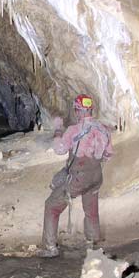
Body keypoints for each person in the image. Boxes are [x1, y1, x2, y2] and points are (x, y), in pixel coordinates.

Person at [37, 94, 113, 258]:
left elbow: (60, 149)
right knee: (91, 210)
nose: (76, 113)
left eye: (76, 110)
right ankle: (93, 246)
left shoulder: (74, 130)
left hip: (79, 178)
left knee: (52, 205)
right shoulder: (103, 129)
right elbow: (108, 154)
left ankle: (50, 248)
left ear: (78, 111)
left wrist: (58, 129)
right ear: (91, 110)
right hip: (96, 176)